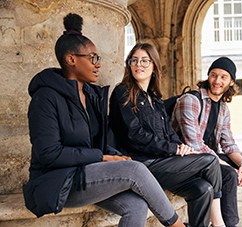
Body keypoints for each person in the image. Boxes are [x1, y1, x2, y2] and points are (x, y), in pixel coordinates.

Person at [22, 13, 187, 227]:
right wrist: (103, 157)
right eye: (93, 58)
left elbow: (97, 141)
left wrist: (117, 156)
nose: (98, 64)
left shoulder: (90, 95)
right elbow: (48, 154)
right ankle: (177, 225)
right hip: (58, 181)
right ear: (71, 60)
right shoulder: (45, 98)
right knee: (135, 170)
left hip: (85, 174)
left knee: (136, 205)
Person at [109, 42, 225, 227]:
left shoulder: (155, 98)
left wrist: (183, 148)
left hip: (163, 163)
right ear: (129, 64)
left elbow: (169, 133)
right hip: (142, 165)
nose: (139, 65)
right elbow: (134, 135)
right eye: (135, 60)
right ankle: (219, 223)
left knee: (203, 189)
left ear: (154, 66)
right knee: (210, 161)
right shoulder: (122, 92)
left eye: (145, 61)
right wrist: (175, 149)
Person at [172, 57, 242, 227]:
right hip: (189, 161)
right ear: (208, 77)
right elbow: (195, 145)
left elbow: (228, 143)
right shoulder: (190, 100)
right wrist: (229, 167)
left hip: (212, 158)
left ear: (231, 82)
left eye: (223, 77)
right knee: (228, 174)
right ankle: (229, 224)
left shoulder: (223, 108)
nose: (217, 81)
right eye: (213, 75)